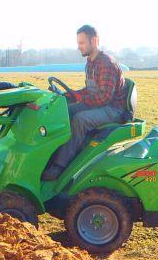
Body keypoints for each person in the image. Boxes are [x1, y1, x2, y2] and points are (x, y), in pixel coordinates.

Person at [42, 25, 128, 180]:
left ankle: (59, 166)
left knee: (80, 119)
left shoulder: (106, 63)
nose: (78, 47)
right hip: (100, 104)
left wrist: (81, 99)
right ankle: (49, 156)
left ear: (94, 40)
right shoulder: (90, 62)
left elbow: (105, 97)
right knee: (63, 111)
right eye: (78, 43)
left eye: (81, 43)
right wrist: (71, 95)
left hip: (113, 109)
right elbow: (90, 89)